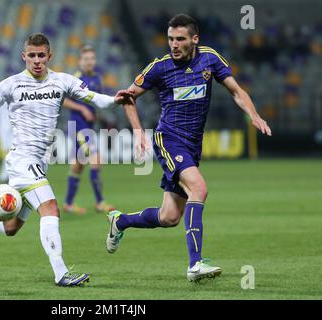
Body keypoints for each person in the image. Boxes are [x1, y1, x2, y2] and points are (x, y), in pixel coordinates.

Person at [0, 33, 132, 287]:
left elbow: (94, 98)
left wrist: (116, 101)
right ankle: (61, 273)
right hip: (22, 160)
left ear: (49, 56)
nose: (37, 61)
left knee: (10, 228)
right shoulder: (11, 84)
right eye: (32, 55)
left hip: (39, 163)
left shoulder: (62, 81)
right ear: (24, 56)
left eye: (42, 55)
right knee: (50, 208)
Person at [106, 14, 272, 282]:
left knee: (170, 216)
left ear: (194, 39)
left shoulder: (210, 59)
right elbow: (127, 97)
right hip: (168, 138)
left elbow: (237, 91)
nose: (173, 44)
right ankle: (195, 265)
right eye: (170, 38)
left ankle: (120, 221)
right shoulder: (159, 67)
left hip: (193, 144)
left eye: (180, 39)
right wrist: (138, 131)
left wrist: (253, 115)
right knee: (199, 188)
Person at [62, 45, 115, 214]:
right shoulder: (76, 78)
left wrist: (98, 116)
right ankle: (100, 202)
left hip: (89, 127)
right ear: (80, 61)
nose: (89, 62)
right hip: (78, 126)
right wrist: (82, 109)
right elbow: (63, 100)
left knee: (78, 165)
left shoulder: (97, 79)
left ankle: (68, 203)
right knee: (96, 159)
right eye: (86, 59)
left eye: (92, 58)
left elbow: (94, 103)